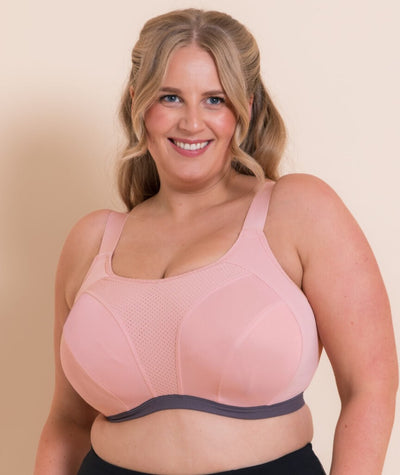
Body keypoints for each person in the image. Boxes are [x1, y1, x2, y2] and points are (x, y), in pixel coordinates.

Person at [34, 8, 398, 475]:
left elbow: (371, 385)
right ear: (137, 102)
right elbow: (67, 423)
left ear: (246, 107)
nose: (191, 123)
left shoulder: (296, 211)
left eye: (214, 99)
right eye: (170, 97)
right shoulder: (90, 241)